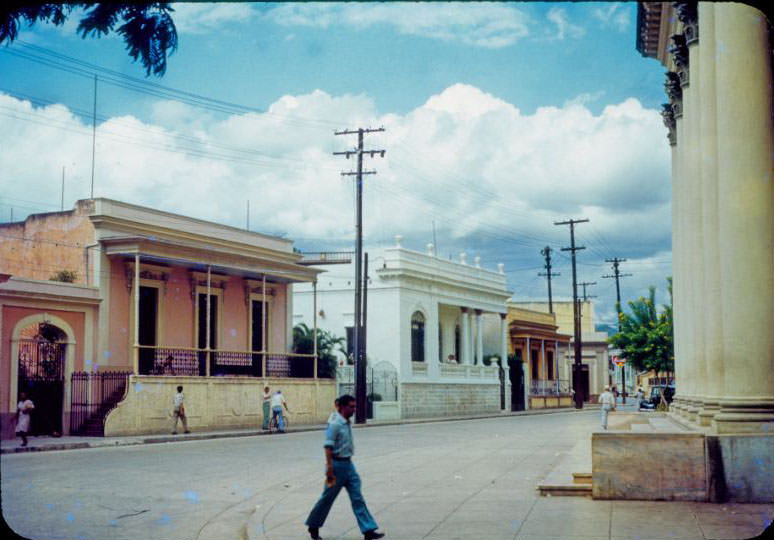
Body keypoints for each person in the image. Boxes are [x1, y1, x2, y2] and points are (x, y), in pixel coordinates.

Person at [305, 395, 384, 540]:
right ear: (342, 407)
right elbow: (328, 447)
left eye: (354, 406)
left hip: (349, 465)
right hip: (336, 466)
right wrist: (329, 468)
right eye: (351, 407)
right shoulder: (335, 424)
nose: (354, 409)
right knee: (327, 499)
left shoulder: (347, 422)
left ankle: (368, 530)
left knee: (357, 497)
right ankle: (313, 526)